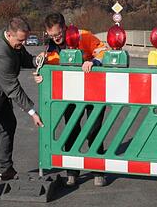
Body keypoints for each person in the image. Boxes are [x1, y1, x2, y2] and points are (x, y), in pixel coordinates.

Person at [0, 17, 44, 196]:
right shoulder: (0, 52)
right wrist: (32, 112)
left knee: (9, 125)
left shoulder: (14, 43)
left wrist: (37, 61)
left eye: (25, 39)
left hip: (0, 92)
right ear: (9, 34)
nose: (23, 43)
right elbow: (13, 88)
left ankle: (6, 170)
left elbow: (24, 58)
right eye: (20, 40)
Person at [34, 12, 107, 187]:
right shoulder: (50, 47)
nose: (56, 38)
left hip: (94, 90)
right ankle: (72, 170)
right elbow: (48, 68)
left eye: (58, 34)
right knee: (71, 129)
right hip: (70, 93)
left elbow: (104, 50)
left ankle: (98, 170)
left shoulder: (84, 35)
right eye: (52, 35)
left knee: (93, 129)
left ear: (65, 28)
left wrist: (94, 62)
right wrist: (40, 72)